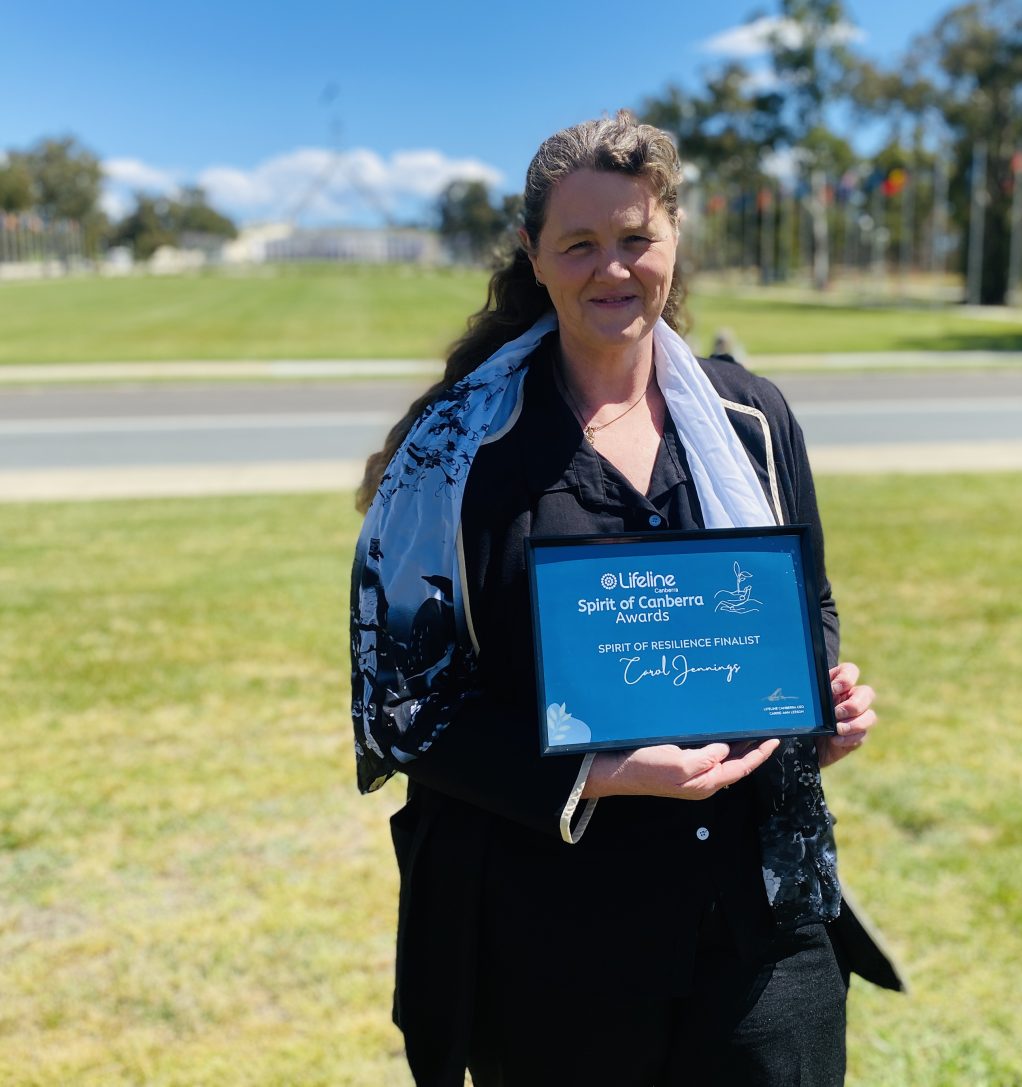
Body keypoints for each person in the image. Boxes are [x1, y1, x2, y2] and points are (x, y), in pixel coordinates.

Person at [350, 112, 898, 1087]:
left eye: (636, 239)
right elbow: (399, 705)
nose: (614, 268)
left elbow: (803, 605)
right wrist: (593, 774)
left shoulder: (752, 419)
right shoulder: (455, 452)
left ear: (674, 239)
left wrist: (817, 705)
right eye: (581, 244)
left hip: (754, 919)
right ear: (534, 253)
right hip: (549, 936)